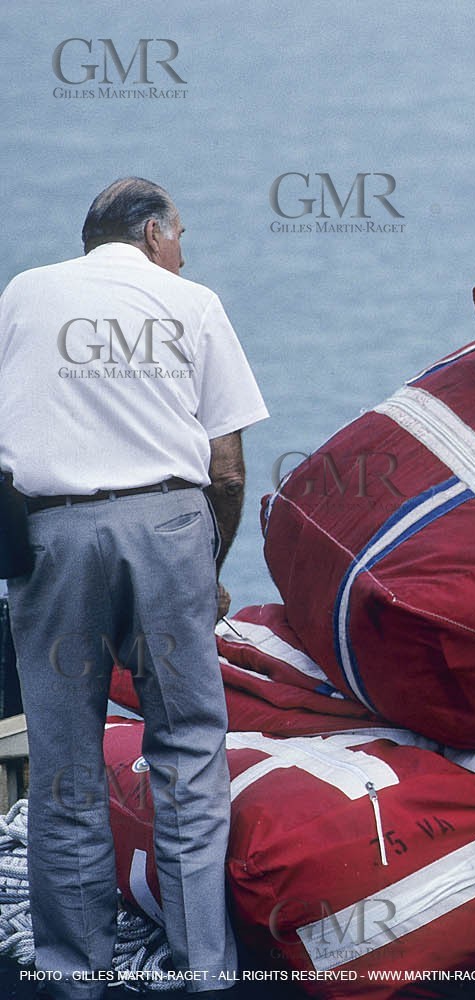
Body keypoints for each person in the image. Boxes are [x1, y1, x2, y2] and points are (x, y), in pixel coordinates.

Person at [0, 178, 268, 997]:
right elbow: (225, 467)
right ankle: (202, 973)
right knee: (188, 750)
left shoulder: (24, 292)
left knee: (62, 763)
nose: (185, 250)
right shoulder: (191, 300)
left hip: (53, 534)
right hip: (167, 531)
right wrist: (210, 573)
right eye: (182, 233)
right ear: (153, 233)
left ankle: (74, 974)